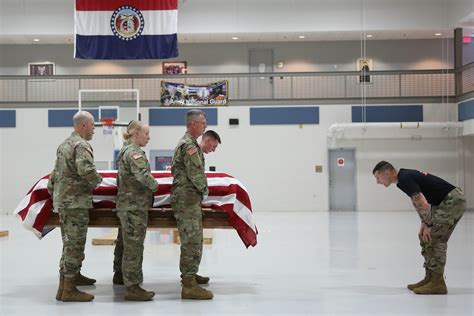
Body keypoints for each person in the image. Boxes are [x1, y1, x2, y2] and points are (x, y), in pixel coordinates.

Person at [372, 161, 466, 295]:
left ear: (386, 173)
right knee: (424, 236)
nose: (378, 182)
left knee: (435, 237)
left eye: (377, 177)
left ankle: (437, 283)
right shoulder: (403, 178)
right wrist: (424, 223)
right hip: (441, 203)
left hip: (452, 201)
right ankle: (430, 278)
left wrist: (429, 224)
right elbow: (421, 202)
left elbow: (421, 202)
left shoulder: (404, 179)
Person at [47, 111, 102, 302]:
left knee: (68, 244)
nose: (95, 129)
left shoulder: (64, 145)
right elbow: (86, 169)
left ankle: (64, 286)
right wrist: (98, 182)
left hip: (64, 202)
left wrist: (53, 193)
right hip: (76, 203)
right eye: (93, 125)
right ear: (84, 125)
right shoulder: (81, 145)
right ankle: (69, 290)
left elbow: (54, 174)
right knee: (75, 246)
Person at [112, 120, 158, 301]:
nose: (149, 137)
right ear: (136, 133)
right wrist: (157, 186)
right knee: (134, 246)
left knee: (125, 243)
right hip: (133, 207)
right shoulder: (133, 153)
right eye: (146, 133)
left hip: (128, 205)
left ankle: (120, 276)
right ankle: (132, 287)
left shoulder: (126, 150)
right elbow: (143, 176)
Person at [171, 109, 213, 300]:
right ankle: (188, 285)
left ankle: (190, 275)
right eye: (203, 123)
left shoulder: (189, 143)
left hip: (187, 199)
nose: (205, 126)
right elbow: (196, 173)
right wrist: (205, 190)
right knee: (191, 241)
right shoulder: (189, 145)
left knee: (193, 239)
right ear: (193, 124)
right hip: (186, 200)